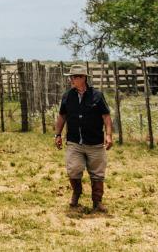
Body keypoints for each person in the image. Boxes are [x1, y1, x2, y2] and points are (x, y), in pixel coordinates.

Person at [54, 64, 114, 211]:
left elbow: (106, 116)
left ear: (83, 78)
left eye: (74, 77)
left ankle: (97, 202)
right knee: (73, 169)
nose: (71, 80)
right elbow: (62, 116)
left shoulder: (97, 96)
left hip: (94, 142)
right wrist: (57, 134)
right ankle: (77, 192)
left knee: (97, 173)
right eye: (71, 77)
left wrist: (109, 135)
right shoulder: (67, 96)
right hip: (74, 141)